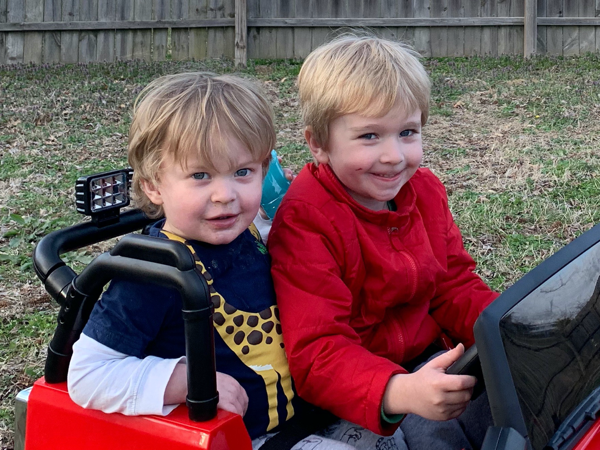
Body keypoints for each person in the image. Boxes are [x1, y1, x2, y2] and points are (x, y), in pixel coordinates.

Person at [67, 72, 406, 450]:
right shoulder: (154, 275)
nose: (225, 195)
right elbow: (86, 375)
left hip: (306, 418)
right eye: (200, 175)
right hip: (241, 439)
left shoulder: (254, 232)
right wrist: (184, 381)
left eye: (242, 172)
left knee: (398, 434)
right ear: (153, 185)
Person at [267, 34, 500, 450]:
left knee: (524, 407)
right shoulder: (307, 220)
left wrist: (507, 329)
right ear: (318, 143)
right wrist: (399, 391)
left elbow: (453, 285)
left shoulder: (424, 190)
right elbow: (320, 353)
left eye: (407, 132)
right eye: (370, 136)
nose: (394, 155)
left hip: (430, 361)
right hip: (361, 394)